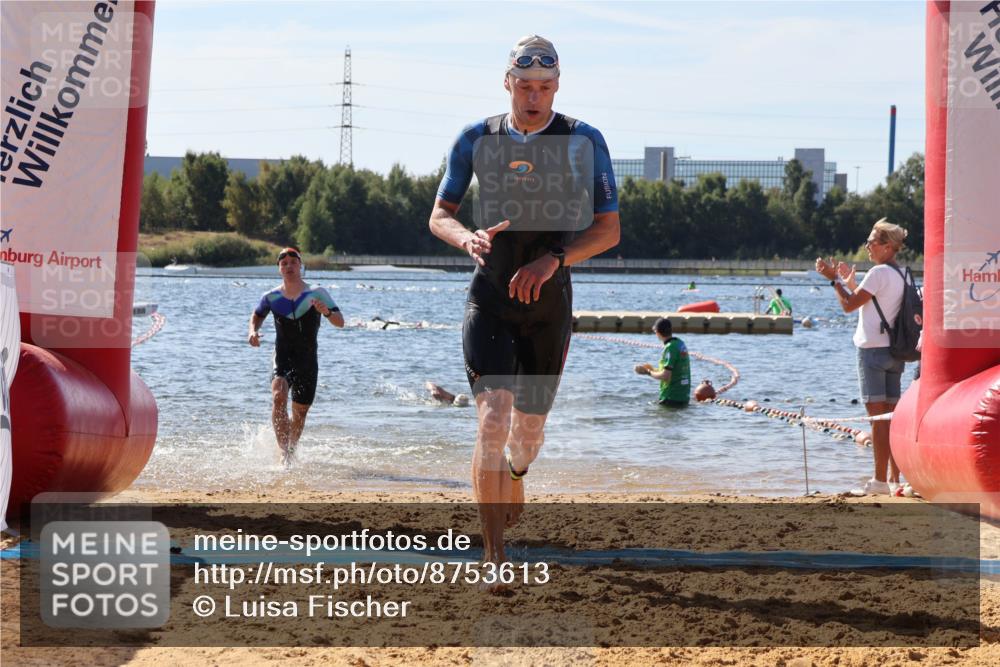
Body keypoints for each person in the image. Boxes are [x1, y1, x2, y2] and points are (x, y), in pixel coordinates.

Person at [428, 34, 620, 568]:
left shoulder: (584, 141)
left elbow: (608, 231)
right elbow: (438, 215)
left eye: (545, 87)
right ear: (507, 82)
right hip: (489, 299)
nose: (534, 96)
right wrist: (465, 237)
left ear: (557, 86)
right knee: (492, 419)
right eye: (525, 86)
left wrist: (552, 259)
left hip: (548, 307)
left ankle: (517, 472)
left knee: (527, 433)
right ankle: (493, 556)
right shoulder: (475, 138)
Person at [815, 218, 908, 495]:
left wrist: (833, 279)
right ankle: (894, 480)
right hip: (895, 352)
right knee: (890, 419)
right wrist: (849, 283)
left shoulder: (878, 273)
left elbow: (848, 305)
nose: (867, 245)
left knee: (877, 421)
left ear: (887, 246)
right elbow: (868, 303)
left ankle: (879, 482)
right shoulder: (901, 274)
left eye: (871, 241)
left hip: (872, 352)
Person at [248, 248, 344, 464]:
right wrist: (252, 331)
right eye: (284, 263)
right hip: (282, 355)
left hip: (307, 359)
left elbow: (340, 321)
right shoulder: (271, 297)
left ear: (300, 265)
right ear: (279, 268)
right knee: (278, 396)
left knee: (299, 412)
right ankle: (283, 452)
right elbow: (256, 316)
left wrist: (326, 312)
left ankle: (291, 449)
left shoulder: (316, 293)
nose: (288, 266)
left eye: (293, 262)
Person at [634, 318, 691, 407]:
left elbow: (666, 376)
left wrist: (647, 372)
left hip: (671, 398)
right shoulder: (680, 343)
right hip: (684, 398)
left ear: (657, 332)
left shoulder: (669, 348)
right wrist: (653, 369)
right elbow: (673, 371)